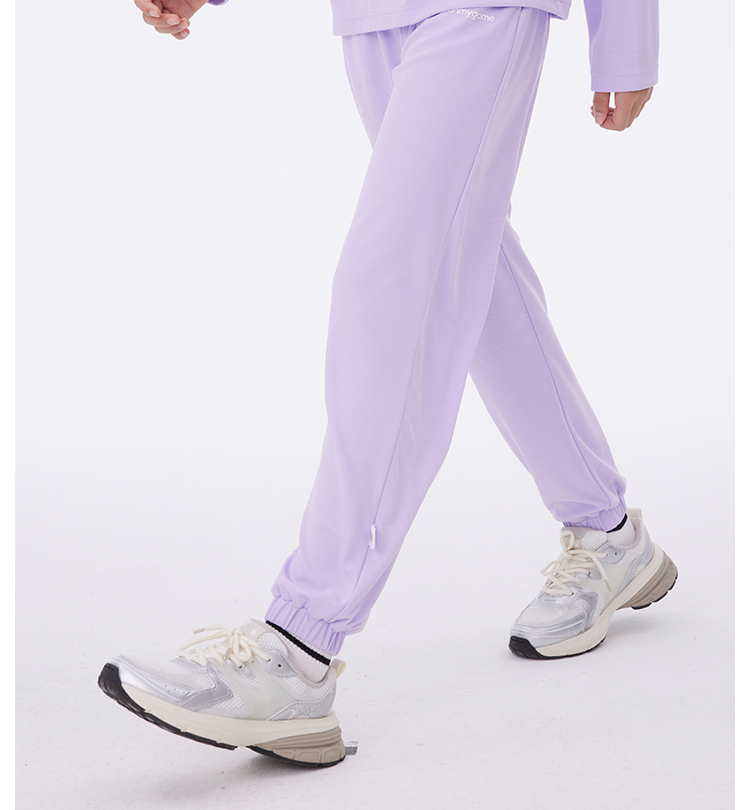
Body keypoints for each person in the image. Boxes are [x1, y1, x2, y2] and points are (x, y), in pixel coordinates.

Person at [98, 0, 677, 767]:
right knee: (469, 265)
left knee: (392, 283)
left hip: (481, 9)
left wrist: (627, 36)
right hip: (372, 14)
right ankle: (609, 532)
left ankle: (300, 645)